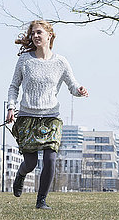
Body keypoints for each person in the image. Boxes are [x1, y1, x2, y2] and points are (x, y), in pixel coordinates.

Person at [6, 19, 88, 209]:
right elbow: (13, 87)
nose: (35, 36)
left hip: (51, 117)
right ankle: (20, 174)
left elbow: (72, 85)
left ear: (49, 35)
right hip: (27, 117)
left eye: (39, 32)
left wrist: (80, 90)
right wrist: (11, 107)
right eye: (33, 33)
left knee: (50, 159)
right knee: (31, 162)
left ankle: (41, 201)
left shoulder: (60, 62)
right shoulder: (24, 61)